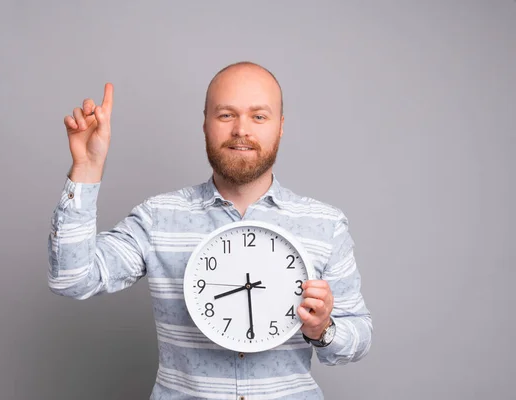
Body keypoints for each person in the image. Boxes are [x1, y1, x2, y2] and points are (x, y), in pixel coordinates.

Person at [48, 61, 373, 399]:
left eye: (259, 116)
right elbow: (72, 279)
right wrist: (86, 168)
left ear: (280, 127)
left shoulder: (325, 224)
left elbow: (359, 335)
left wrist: (324, 329)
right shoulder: (159, 218)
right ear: (205, 123)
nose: (241, 130)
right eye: (226, 115)